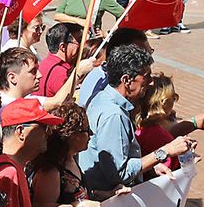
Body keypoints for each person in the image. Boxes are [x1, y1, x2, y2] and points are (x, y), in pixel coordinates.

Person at [80, 45, 194, 196]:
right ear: (127, 80)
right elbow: (119, 173)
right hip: (108, 203)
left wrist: (150, 166)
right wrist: (164, 151)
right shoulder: (114, 115)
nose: (151, 82)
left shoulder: (102, 98)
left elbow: (119, 158)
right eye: (146, 77)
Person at [37, 23, 83, 99]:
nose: (82, 44)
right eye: (79, 40)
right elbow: (70, 101)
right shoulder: (61, 74)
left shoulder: (45, 62)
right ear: (63, 47)